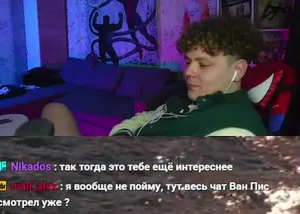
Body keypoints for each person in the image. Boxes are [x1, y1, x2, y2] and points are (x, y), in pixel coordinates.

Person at [16, 16, 268, 137]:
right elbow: (148, 115)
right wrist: (122, 132)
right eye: (189, 61)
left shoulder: (235, 128)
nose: (188, 71)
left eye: (203, 64)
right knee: (55, 108)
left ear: (238, 69)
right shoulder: (192, 99)